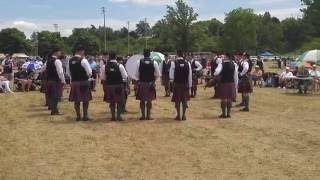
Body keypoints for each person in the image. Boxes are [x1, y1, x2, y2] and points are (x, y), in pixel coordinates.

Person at [100, 51, 128, 121]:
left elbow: (103, 78)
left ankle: (113, 116)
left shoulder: (105, 66)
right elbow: (125, 76)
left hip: (109, 85)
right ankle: (118, 116)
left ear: (109, 56)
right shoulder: (120, 66)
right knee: (120, 101)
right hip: (119, 85)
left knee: (112, 101)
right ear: (116, 57)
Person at [67, 47, 92, 121]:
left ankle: (78, 116)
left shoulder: (70, 60)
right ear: (81, 51)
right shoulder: (83, 60)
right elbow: (89, 72)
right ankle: (85, 116)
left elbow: (68, 73)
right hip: (84, 81)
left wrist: (73, 78)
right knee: (85, 100)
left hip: (75, 82)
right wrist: (87, 77)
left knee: (76, 100)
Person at [135, 49, 160, 120]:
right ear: (149, 54)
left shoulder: (139, 62)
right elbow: (158, 74)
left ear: (143, 54)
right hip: (150, 83)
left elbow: (136, 74)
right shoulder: (154, 62)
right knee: (149, 100)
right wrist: (153, 80)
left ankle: (143, 116)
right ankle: (148, 116)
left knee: (142, 100)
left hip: (142, 83)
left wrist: (139, 80)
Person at [214, 53, 238, 118]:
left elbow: (216, 72)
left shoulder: (221, 64)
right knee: (229, 99)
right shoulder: (234, 64)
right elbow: (235, 76)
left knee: (223, 99)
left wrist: (215, 73)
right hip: (231, 83)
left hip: (223, 83)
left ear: (226, 57)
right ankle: (229, 114)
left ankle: (224, 114)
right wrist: (236, 85)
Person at [169, 50, 192, 121]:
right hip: (185, 84)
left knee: (177, 100)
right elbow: (189, 75)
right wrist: (190, 85)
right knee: (184, 100)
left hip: (177, 84)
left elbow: (171, 74)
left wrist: (172, 82)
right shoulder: (187, 63)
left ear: (177, 54)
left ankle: (178, 115)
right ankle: (184, 115)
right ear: (183, 55)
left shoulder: (174, 63)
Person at [43, 48, 65, 115]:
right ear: (56, 52)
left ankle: (53, 109)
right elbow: (60, 72)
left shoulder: (48, 60)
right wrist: (63, 80)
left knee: (51, 95)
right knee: (56, 96)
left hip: (49, 80)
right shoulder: (57, 61)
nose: (60, 54)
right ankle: (54, 111)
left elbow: (42, 68)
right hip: (56, 80)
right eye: (59, 52)